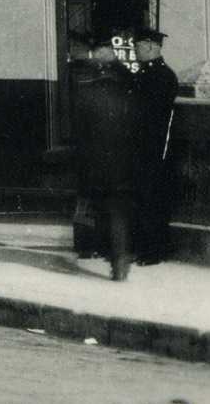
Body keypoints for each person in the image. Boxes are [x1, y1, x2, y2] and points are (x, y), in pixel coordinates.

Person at [72, 37, 139, 280]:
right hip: (124, 162)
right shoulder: (128, 94)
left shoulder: (86, 95)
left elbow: (80, 133)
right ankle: (120, 260)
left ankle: (106, 254)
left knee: (101, 209)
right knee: (118, 210)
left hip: (96, 163)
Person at [131, 28, 179, 265]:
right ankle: (143, 248)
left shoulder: (163, 76)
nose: (135, 50)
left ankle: (153, 251)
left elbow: (156, 116)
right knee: (141, 197)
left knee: (152, 198)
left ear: (151, 46)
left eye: (138, 46)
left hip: (153, 147)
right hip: (140, 147)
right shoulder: (145, 73)